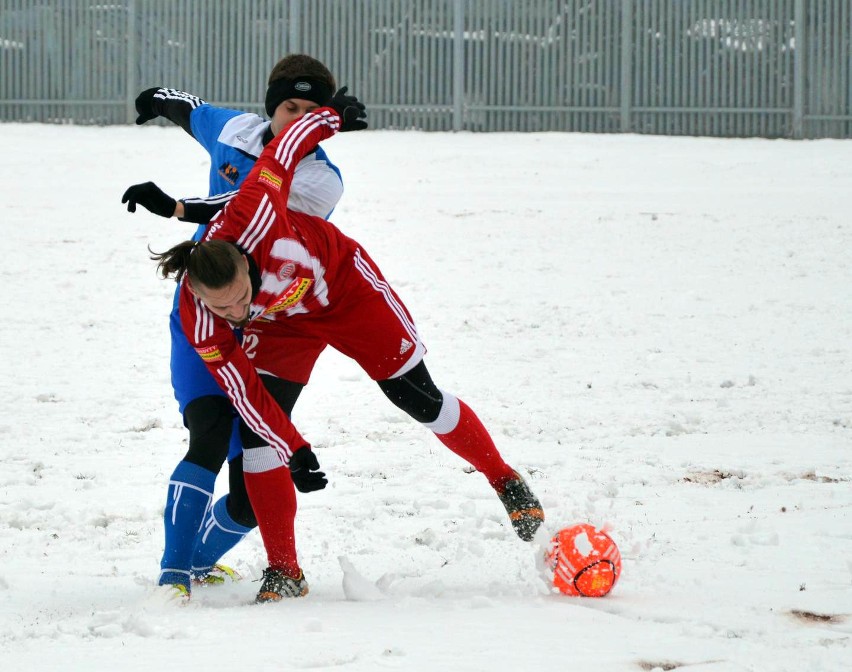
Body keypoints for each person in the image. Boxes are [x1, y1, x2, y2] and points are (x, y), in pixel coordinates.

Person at [150, 103, 545, 604]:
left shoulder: (255, 208)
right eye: (222, 308)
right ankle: (285, 571)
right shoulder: (204, 316)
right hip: (281, 323)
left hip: (345, 290)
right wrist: (294, 448)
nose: (233, 313)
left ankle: (503, 478)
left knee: (416, 398)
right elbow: (245, 393)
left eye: (238, 298)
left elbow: (285, 147)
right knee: (257, 438)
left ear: (246, 268)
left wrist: (330, 118)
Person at [123, 54, 366, 598]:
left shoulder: (320, 181)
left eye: (310, 111)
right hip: (206, 309)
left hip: (265, 329)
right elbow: (196, 113)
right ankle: (173, 578)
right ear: (271, 106)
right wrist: (160, 98)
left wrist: (179, 206)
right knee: (207, 434)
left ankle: (196, 561)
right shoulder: (236, 129)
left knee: (254, 484)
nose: (295, 120)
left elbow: (247, 203)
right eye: (288, 107)